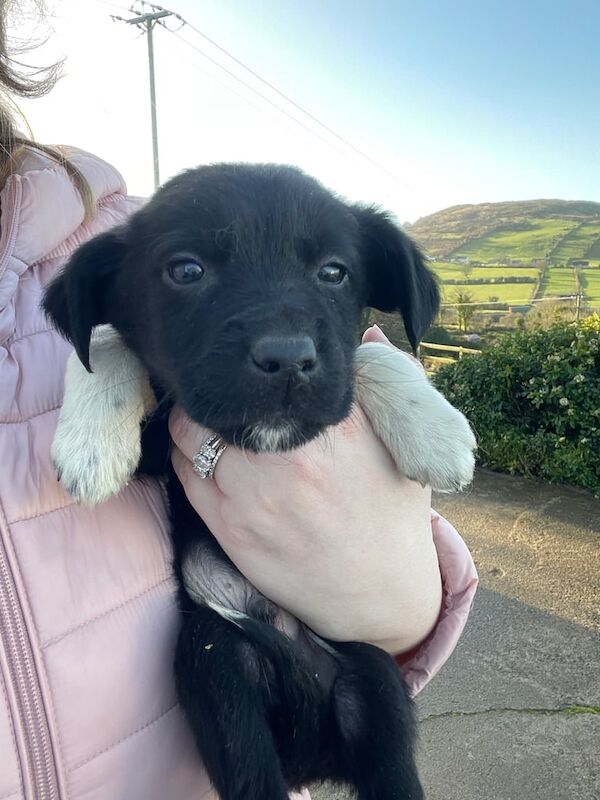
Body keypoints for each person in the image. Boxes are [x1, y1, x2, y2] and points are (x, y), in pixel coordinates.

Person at [0, 3, 477, 798]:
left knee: (376, 700)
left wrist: (398, 591)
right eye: (189, 271)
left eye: (331, 275)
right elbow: (118, 345)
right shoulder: (111, 290)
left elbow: (408, 602)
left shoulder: (87, 225)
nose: (286, 346)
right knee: (206, 659)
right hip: (229, 681)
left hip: (342, 676)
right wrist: (103, 370)